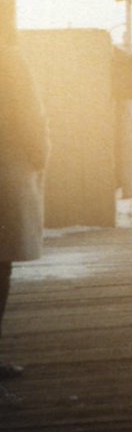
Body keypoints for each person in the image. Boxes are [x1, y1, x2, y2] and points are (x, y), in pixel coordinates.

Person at [0, 43, 49, 379]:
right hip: (5, 170)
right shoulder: (9, 58)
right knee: (1, 266)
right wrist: (38, 157)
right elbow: (31, 116)